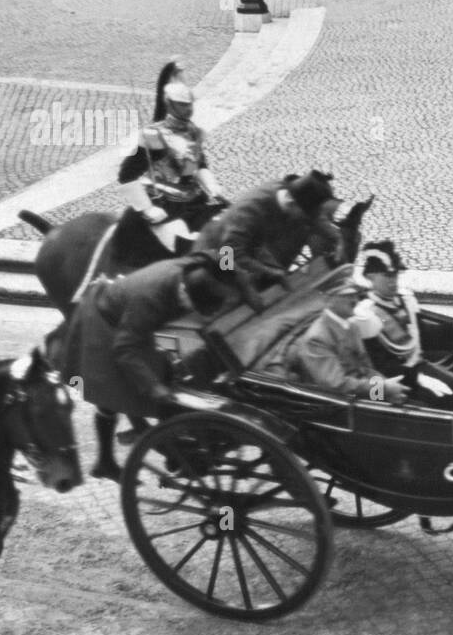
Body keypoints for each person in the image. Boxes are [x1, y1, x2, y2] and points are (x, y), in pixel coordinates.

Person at [60, 254, 233, 479]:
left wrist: (237, 276)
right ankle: (111, 461)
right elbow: (125, 350)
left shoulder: (194, 266)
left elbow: (218, 254)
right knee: (118, 392)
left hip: (130, 317)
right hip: (105, 322)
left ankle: (163, 449)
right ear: (188, 297)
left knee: (162, 377)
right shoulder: (149, 300)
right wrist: (155, 388)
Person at [193, 170, 353, 312]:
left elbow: (314, 218)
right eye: (303, 216)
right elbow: (227, 253)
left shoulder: (289, 196)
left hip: (248, 247)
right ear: (292, 204)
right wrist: (249, 283)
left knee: (274, 274)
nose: (305, 221)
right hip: (215, 256)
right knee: (230, 302)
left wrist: (338, 239)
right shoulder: (251, 210)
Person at [118, 62, 222, 254]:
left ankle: (228, 271)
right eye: (182, 105)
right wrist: (147, 209)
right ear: (171, 105)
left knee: (225, 238)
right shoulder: (153, 136)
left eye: (188, 105)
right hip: (164, 205)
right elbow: (126, 176)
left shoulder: (193, 132)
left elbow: (198, 164)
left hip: (194, 201)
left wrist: (212, 186)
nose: (188, 110)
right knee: (191, 251)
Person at [353, 240, 453, 405]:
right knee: (448, 395)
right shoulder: (365, 313)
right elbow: (379, 366)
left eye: (395, 275)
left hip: (419, 367)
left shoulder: (406, 300)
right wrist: (417, 378)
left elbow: (424, 337)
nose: (393, 281)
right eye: (387, 276)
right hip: (391, 380)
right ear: (371, 277)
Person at [290, 268, 409, 402]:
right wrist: (384, 389)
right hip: (336, 408)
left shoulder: (351, 326)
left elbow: (366, 370)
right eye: (347, 296)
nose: (355, 301)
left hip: (360, 398)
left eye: (355, 295)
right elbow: (337, 385)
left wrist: (384, 393)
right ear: (328, 300)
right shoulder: (317, 339)